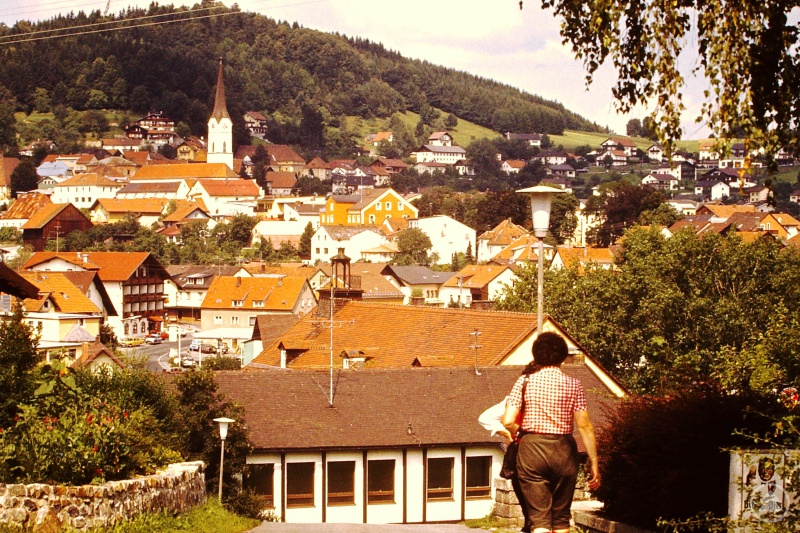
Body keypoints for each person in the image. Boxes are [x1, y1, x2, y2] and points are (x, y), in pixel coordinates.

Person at [501, 332, 600, 533]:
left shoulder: (525, 382)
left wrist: (518, 432)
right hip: (564, 451)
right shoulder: (574, 384)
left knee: (540, 520)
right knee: (561, 518)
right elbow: (585, 426)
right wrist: (594, 461)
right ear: (563, 356)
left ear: (536, 355)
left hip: (532, 449)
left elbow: (508, 420)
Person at [478, 362, 540, 533]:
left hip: (532, 449)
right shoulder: (513, 400)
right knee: (522, 487)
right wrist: (507, 433)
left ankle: (533, 523)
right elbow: (486, 418)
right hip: (524, 449)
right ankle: (530, 522)